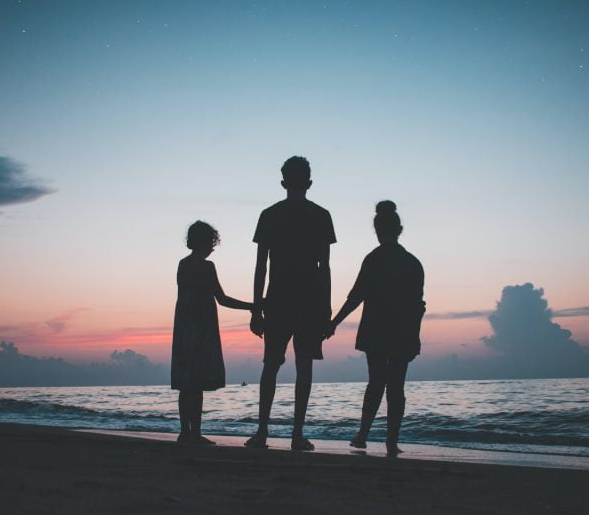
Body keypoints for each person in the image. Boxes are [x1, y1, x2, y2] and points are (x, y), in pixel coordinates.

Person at [246, 156, 336, 451]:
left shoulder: (269, 215)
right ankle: (297, 434)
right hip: (310, 301)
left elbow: (261, 266)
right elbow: (325, 267)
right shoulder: (321, 216)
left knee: (270, 365)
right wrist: (327, 308)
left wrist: (257, 307)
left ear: (283, 182)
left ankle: (262, 432)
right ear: (309, 183)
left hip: (278, 300)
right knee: (304, 367)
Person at [329, 201, 425, 456]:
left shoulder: (373, 259)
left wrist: (334, 323)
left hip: (377, 330)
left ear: (377, 231)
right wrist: (415, 337)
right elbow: (418, 306)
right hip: (403, 331)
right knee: (396, 387)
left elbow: (355, 296)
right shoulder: (412, 263)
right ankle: (391, 441)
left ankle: (362, 435)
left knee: (376, 383)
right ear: (399, 229)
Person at [172, 220, 255, 445]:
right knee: (196, 383)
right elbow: (222, 298)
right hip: (201, 327)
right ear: (206, 242)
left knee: (185, 384)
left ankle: (184, 432)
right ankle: (195, 433)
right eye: (211, 242)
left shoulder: (182, 264)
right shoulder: (207, 267)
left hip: (183, 327)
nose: (213, 247)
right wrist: (253, 306)